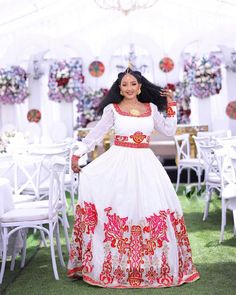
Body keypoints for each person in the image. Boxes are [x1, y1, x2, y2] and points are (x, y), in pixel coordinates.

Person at [67, 68, 200, 288]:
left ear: (140, 87)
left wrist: (172, 105)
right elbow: (96, 133)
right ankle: (116, 266)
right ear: (119, 88)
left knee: (149, 208)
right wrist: (78, 153)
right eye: (125, 84)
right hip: (118, 163)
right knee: (121, 207)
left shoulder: (151, 108)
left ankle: (151, 267)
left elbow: (168, 131)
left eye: (133, 84)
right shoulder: (113, 109)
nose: (129, 88)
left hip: (146, 164)